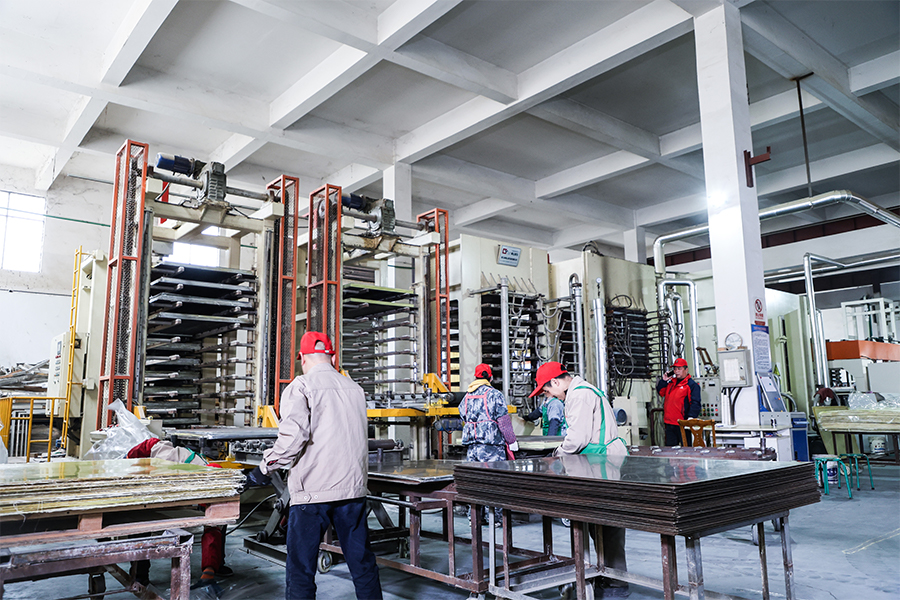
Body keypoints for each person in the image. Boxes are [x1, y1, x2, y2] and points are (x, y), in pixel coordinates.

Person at [246, 331, 382, 600]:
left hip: (312, 494)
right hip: (352, 491)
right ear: (332, 357)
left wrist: (264, 468)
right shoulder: (355, 389)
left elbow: (293, 440)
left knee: (301, 569)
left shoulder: (301, 386)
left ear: (303, 358)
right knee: (363, 564)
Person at [530, 362, 629, 598]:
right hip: (597, 461)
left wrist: (556, 454)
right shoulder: (580, 392)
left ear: (556, 382)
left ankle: (615, 583)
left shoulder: (579, 395)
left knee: (608, 524)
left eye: (546, 390)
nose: (548, 395)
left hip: (601, 462)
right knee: (598, 524)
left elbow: (576, 439)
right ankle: (606, 575)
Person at [125, 438, 233, 588]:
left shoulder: (212, 488)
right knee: (140, 519)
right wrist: (128, 459)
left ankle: (215, 565)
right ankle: (140, 576)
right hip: (149, 485)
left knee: (218, 520)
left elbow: (213, 527)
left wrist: (208, 572)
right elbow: (151, 443)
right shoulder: (168, 456)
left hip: (179, 488)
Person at [459, 363, 518, 525]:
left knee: (474, 482)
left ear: (475, 377)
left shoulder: (467, 396)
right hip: (491, 447)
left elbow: (462, 415)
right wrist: (511, 440)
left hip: (472, 447)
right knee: (495, 482)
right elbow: (503, 421)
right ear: (490, 378)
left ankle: (475, 518)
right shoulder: (494, 394)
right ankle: (496, 519)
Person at [656, 358, 701, 447]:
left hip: (683, 424)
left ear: (686, 369)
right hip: (669, 423)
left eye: (679, 369)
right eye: (675, 369)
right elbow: (661, 392)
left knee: (686, 450)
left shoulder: (691, 385)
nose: (676, 371)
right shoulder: (671, 383)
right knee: (670, 450)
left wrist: (690, 419)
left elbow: (695, 403)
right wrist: (664, 381)